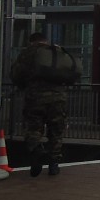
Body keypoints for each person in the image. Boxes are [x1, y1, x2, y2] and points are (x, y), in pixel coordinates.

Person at [10, 32, 73, 177]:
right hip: (59, 98)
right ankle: (53, 164)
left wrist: (23, 85)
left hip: (35, 97)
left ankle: (37, 150)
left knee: (33, 128)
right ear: (46, 40)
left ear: (31, 41)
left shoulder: (27, 53)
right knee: (56, 131)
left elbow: (16, 75)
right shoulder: (57, 51)